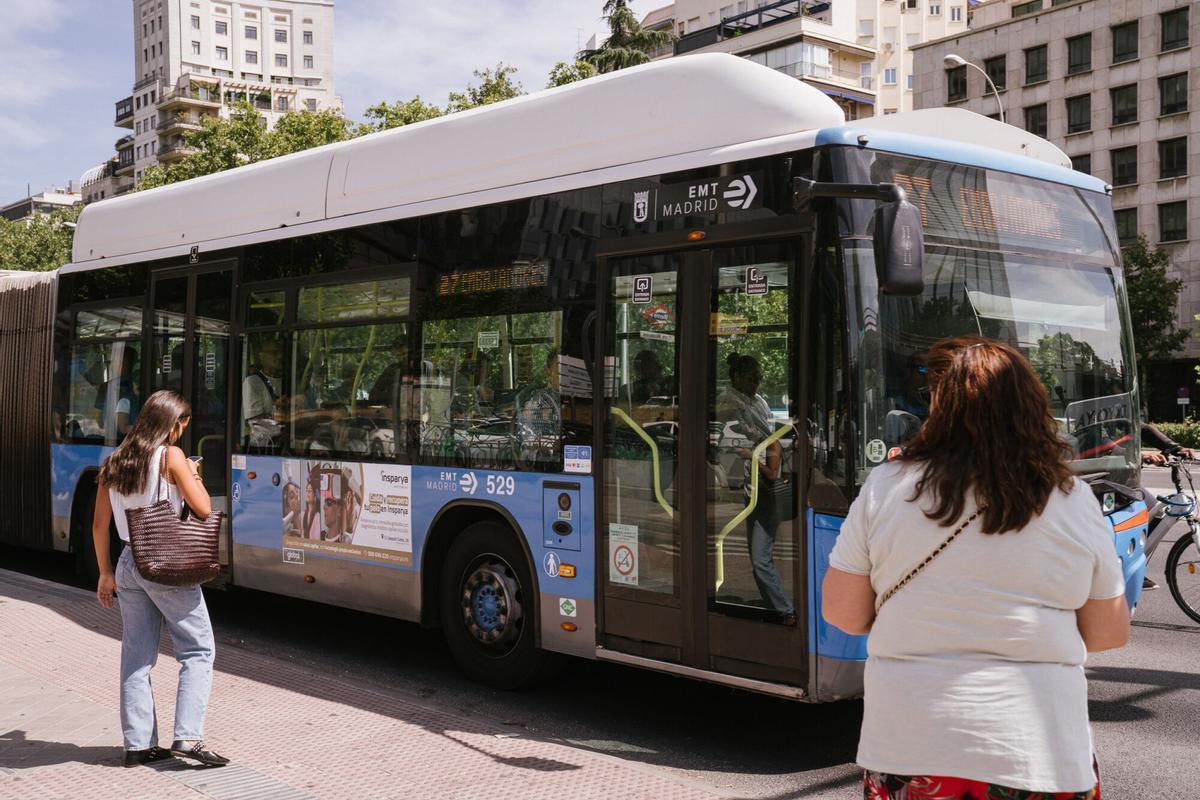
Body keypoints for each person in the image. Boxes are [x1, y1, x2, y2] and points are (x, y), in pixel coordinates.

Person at [823, 336, 1129, 799]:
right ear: (1031, 407)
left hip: (912, 742)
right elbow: (1108, 632)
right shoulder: (1071, 499)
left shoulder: (886, 486)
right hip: (1038, 748)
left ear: (940, 407)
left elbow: (843, 613)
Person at [91, 389, 230, 768]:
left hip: (127, 562)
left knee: (137, 655)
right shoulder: (172, 456)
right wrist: (194, 476)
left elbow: (100, 525)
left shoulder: (115, 461)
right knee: (198, 650)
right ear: (172, 426)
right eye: (182, 424)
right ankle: (188, 737)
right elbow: (202, 508)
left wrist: (105, 573)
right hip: (165, 564)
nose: (183, 432)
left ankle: (138, 745)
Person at [723, 353, 793, 618]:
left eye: (759, 378)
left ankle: (782, 608)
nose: (758, 383)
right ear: (738, 378)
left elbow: (765, 435)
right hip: (752, 484)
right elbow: (750, 432)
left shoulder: (758, 401)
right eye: (753, 378)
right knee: (760, 556)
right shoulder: (729, 401)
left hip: (761, 485)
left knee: (760, 557)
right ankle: (779, 608)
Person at [242, 337, 283, 447]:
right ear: (262, 356)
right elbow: (255, 420)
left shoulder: (290, 381)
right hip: (264, 447)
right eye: (274, 353)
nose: (279, 357)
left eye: (281, 353)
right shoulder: (253, 382)